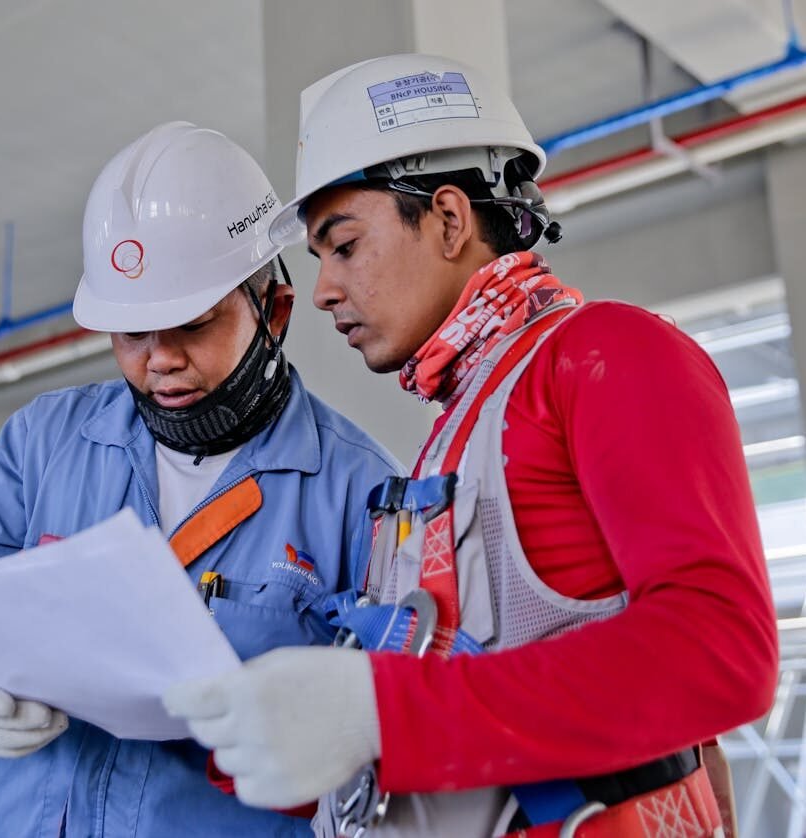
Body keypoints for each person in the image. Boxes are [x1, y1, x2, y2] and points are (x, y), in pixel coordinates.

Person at [163, 55, 778, 837]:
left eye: (343, 246)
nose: (322, 291)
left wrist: (380, 712)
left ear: (450, 220)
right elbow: (447, 701)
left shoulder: (606, 356)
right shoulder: (458, 434)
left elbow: (720, 651)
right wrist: (259, 728)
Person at [0, 121, 401, 837]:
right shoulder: (43, 442)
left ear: (275, 311)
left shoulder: (361, 494)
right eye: (132, 332)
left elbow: (393, 724)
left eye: (192, 324)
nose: (158, 359)